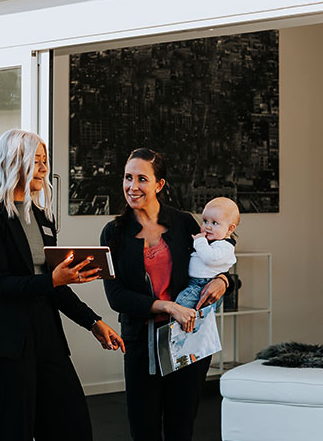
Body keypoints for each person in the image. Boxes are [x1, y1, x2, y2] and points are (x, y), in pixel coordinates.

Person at [0, 129, 125, 441]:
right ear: (13, 162)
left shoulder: (41, 217)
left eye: (44, 160)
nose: (43, 168)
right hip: (5, 348)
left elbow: (53, 287)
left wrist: (93, 322)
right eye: (35, 160)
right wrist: (52, 279)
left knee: (73, 427)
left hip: (48, 342)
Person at [99, 148, 236, 441]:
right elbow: (117, 296)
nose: (132, 187)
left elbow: (221, 262)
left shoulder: (184, 223)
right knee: (144, 429)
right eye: (127, 178)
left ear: (159, 185)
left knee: (180, 428)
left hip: (188, 341)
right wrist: (169, 306)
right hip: (141, 346)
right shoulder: (113, 232)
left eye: (142, 179)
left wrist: (223, 281)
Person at [174, 197, 239, 315]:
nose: (207, 227)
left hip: (202, 285)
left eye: (214, 223)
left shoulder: (225, 246)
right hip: (194, 282)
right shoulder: (211, 241)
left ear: (230, 229)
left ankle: (185, 332)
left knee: (181, 307)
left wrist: (199, 241)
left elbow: (210, 258)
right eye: (205, 221)